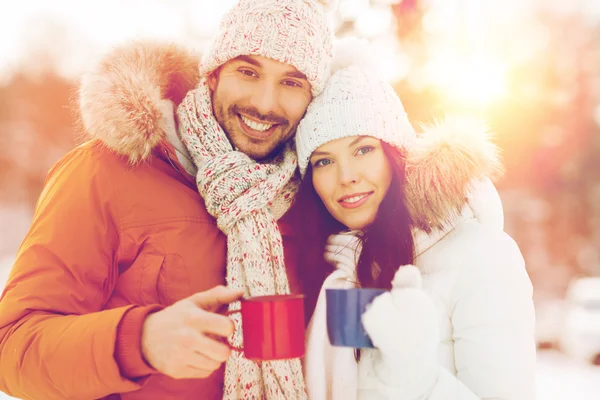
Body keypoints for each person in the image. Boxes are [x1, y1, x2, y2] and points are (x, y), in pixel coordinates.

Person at [0, 1, 335, 399]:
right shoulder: (105, 172)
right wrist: (139, 342)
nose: (265, 103)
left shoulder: (313, 194)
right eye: (248, 71)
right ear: (212, 76)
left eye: (292, 82)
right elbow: (12, 350)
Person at [294, 55, 536, 399]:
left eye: (363, 149)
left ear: (396, 155)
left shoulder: (481, 255)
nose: (346, 176)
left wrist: (413, 377)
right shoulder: (330, 266)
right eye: (324, 161)